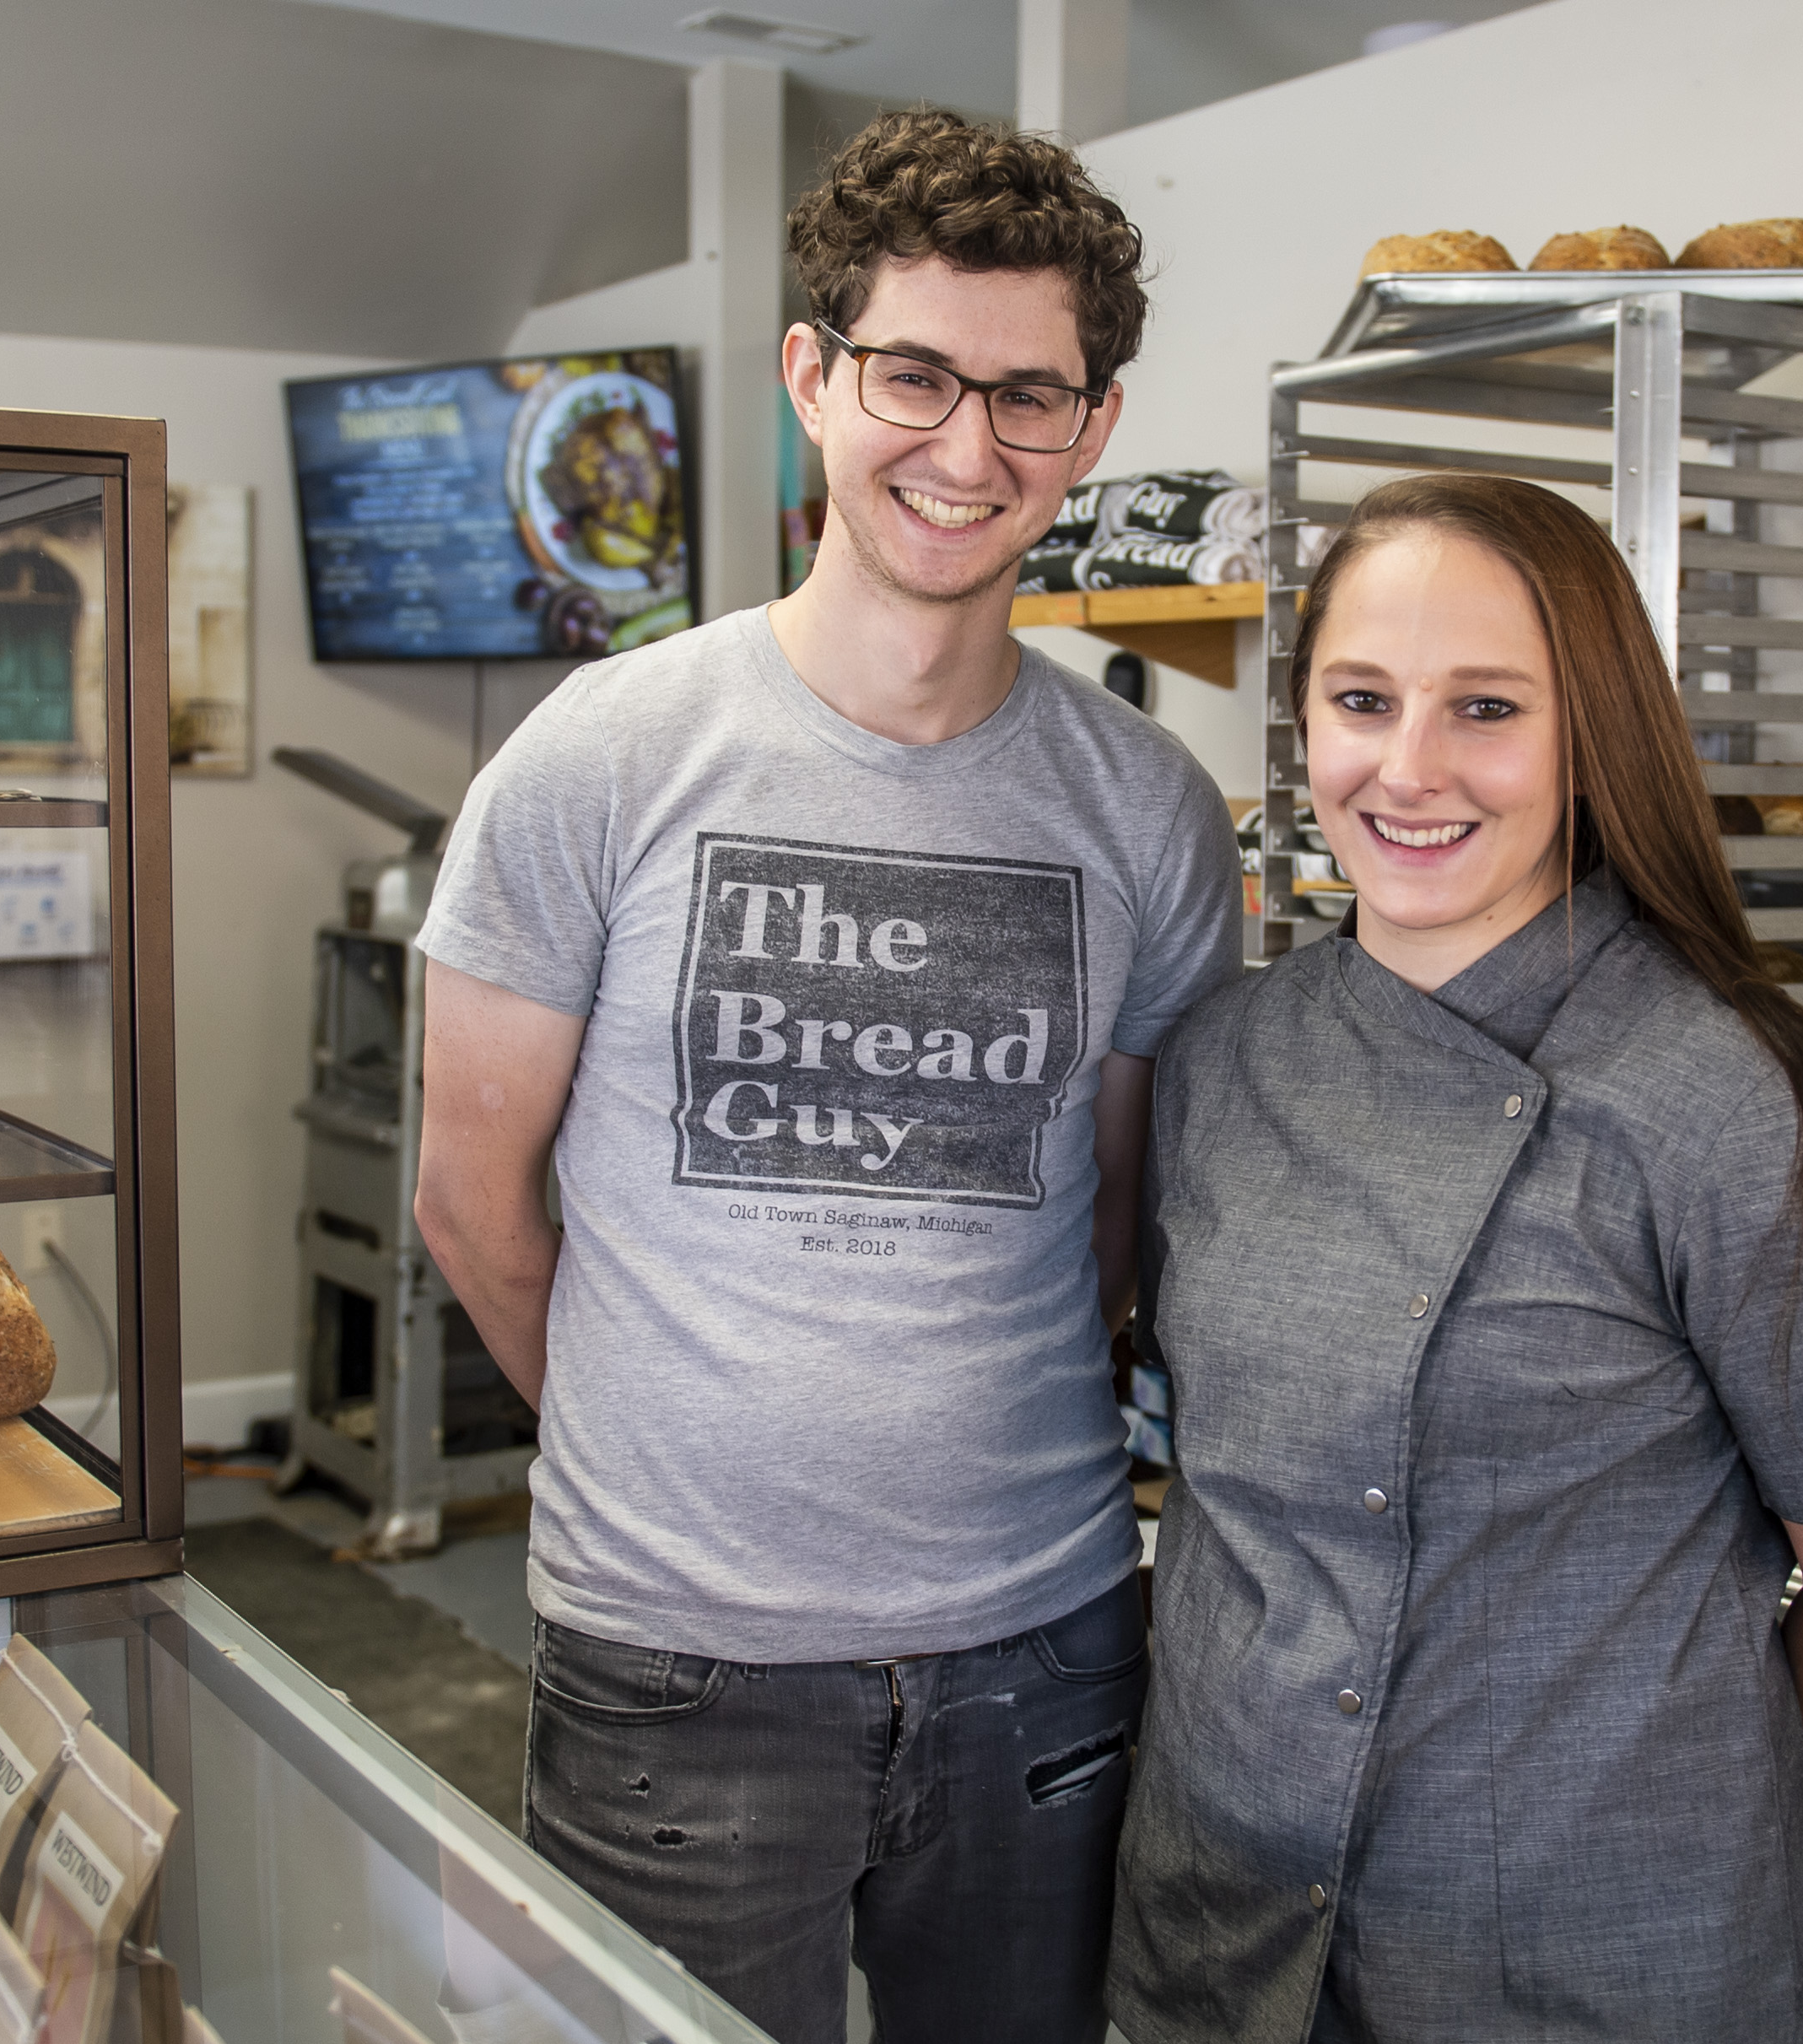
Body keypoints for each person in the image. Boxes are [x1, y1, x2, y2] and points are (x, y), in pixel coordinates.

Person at [410, 110, 1242, 2044]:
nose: (968, 450)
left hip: (1042, 1655)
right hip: (676, 1677)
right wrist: (666, 1449)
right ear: (814, 375)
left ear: (1093, 427)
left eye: (1028, 397)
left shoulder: (1150, 813)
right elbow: (471, 1196)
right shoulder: (601, 756)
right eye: (915, 377)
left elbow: (1119, 1227)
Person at [1107, 473, 1803, 2043]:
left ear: (1592, 737)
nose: (1409, 768)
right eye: (1361, 700)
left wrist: (1666, 1792)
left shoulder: (1741, 1098)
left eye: (1487, 709)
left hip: (1589, 1961)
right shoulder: (1220, 1062)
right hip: (1220, 1928)